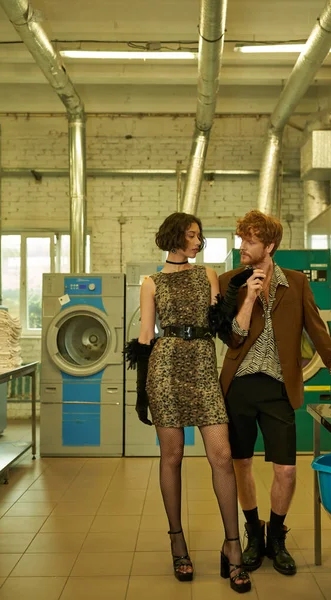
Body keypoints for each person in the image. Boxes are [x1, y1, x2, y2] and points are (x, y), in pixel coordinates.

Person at [218, 210, 331, 575]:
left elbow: (318, 333)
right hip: (238, 385)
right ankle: (253, 532)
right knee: (241, 464)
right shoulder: (229, 282)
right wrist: (248, 297)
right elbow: (232, 337)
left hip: (279, 388)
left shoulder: (296, 283)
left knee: (285, 469)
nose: (242, 247)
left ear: (269, 246)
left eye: (249, 241)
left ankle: (276, 538)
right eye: (241, 240)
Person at [125, 212, 251, 593]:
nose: (198, 242)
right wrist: (142, 393)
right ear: (175, 237)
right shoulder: (151, 283)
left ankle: (232, 546)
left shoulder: (206, 274)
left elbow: (218, 322)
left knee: (222, 456)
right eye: (193, 236)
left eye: (199, 236)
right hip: (164, 368)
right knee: (172, 456)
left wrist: (236, 297)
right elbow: (147, 336)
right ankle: (177, 541)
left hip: (200, 364)